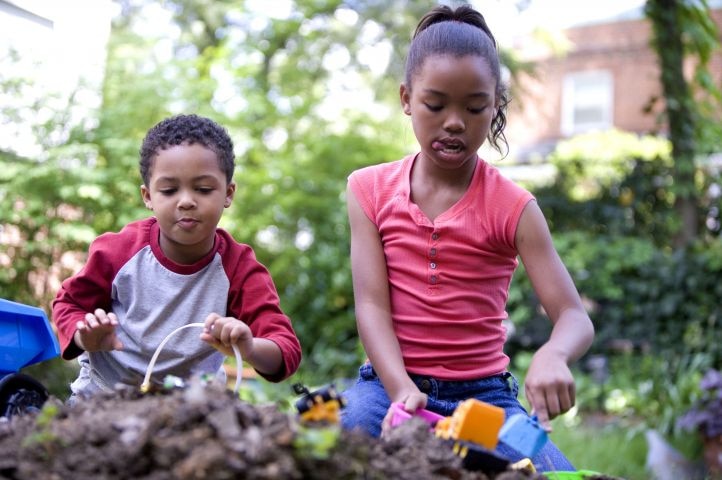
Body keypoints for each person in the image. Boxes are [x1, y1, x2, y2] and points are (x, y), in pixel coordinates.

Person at [340, 4, 594, 472]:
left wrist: (554, 354)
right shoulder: (369, 190)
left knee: (550, 472)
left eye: (474, 107)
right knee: (335, 446)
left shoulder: (514, 207)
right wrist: (401, 392)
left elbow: (573, 316)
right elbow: (371, 305)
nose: (454, 121)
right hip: (388, 389)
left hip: (483, 401)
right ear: (406, 98)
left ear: (494, 104)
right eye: (435, 105)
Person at [52, 114, 302, 400]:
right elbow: (67, 304)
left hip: (192, 412)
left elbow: (286, 349)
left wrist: (249, 348)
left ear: (228, 193)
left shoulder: (239, 268)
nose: (186, 200)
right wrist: (86, 336)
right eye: (169, 190)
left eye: (203, 189)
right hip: (104, 399)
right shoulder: (117, 251)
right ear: (148, 196)